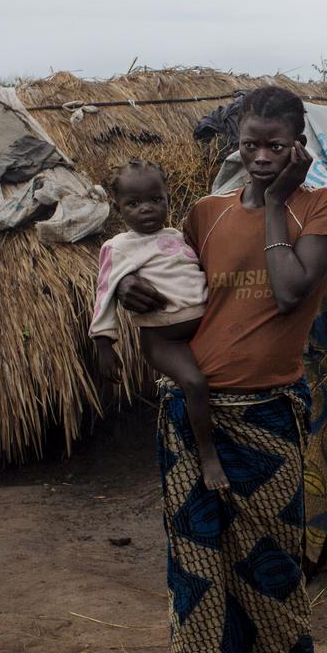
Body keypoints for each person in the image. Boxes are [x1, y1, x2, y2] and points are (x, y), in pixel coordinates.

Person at [115, 85, 327, 653]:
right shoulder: (205, 214)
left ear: (298, 145)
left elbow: (289, 291)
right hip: (191, 418)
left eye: (275, 146)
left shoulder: (323, 208)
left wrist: (277, 201)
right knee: (196, 579)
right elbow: (176, 295)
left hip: (269, 420)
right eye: (250, 144)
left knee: (276, 575)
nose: (260, 157)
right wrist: (131, 288)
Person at [89, 159, 227, 492]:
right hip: (164, 340)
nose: (146, 209)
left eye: (155, 199)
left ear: (168, 198)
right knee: (194, 384)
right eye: (133, 203)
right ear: (118, 209)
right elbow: (105, 293)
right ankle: (207, 455)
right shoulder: (118, 247)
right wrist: (104, 344)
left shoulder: (179, 236)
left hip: (203, 330)